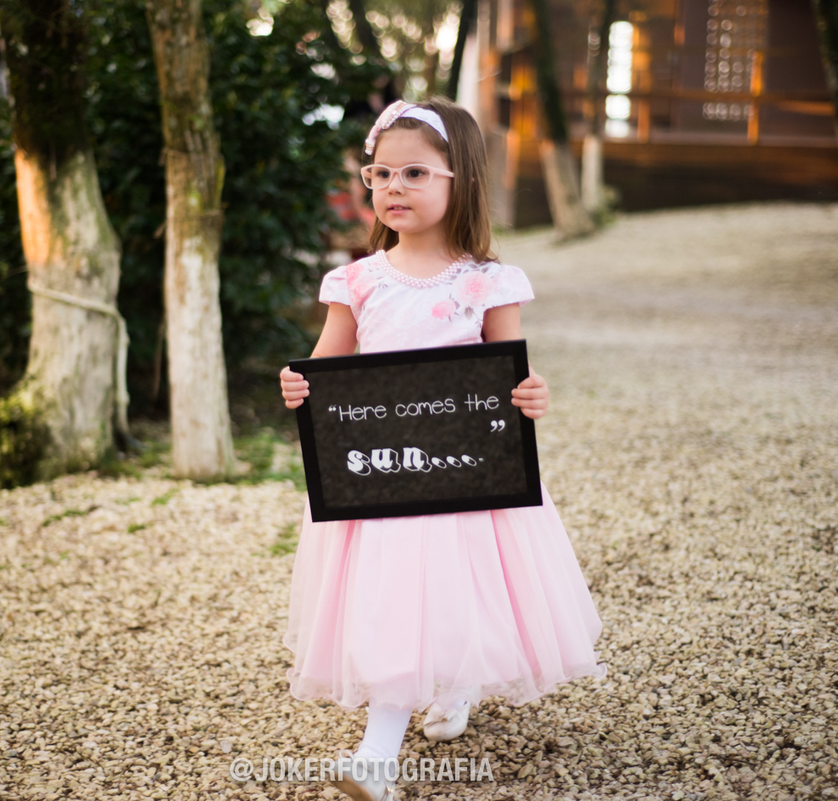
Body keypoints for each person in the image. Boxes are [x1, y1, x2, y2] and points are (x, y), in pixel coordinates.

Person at [278, 98, 605, 801]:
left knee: (454, 588)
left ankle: (401, 731)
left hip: (465, 477)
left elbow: (509, 372)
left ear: (461, 181)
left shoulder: (486, 281)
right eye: (380, 172)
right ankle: (386, 744)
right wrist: (299, 386)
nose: (393, 186)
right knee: (397, 596)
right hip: (385, 478)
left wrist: (531, 395)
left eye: (415, 173)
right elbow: (322, 370)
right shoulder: (357, 280)